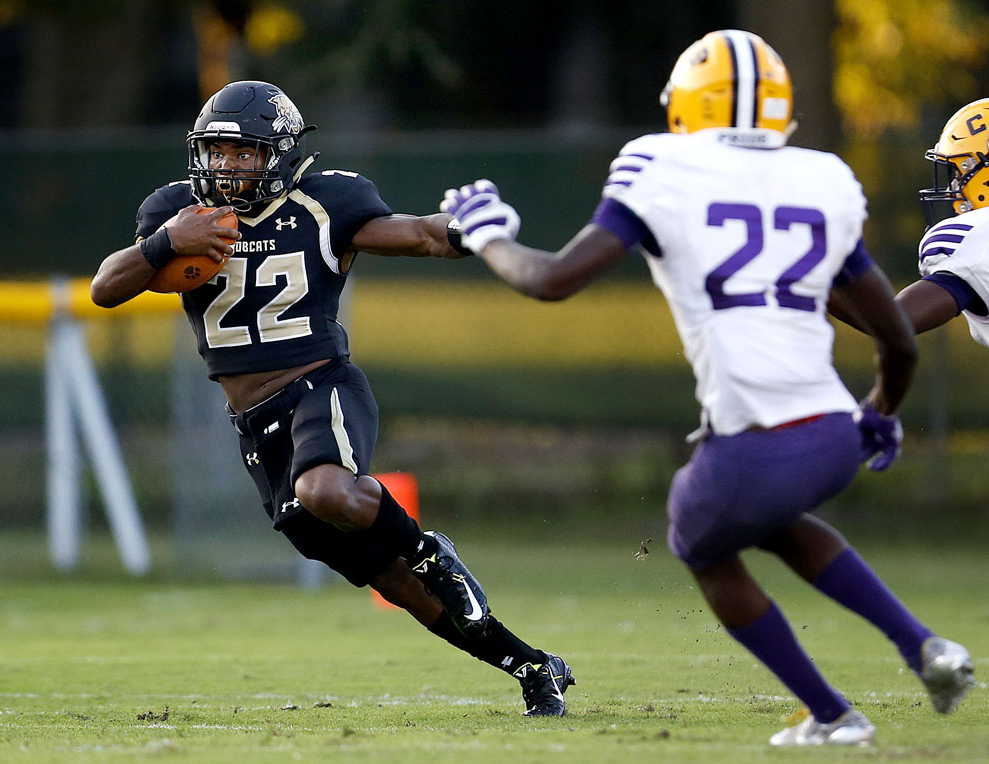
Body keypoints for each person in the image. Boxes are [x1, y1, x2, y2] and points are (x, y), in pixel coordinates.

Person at [440, 30, 974, 745]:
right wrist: (878, 415)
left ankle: (834, 715)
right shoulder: (820, 176)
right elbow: (899, 340)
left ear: (687, 105)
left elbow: (551, 281)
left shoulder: (661, 165)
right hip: (832, 433)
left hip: (757, 437)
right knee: (773, 524)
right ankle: (924, 648)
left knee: (697, 537)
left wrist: (486, 235)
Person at [90, 80, 574, 716]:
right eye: (217, 152)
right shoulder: (180, 214)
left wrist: (470, 233)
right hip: (253, 422)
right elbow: (105, 288)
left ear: (282, 153)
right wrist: (165, 243)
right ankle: (532, 666)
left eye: (245, 153)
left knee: (328, 490)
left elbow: (417, 234)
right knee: (393, 582)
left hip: (321, 385)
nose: (228, 167)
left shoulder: (326, 202)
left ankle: (430, 548)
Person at [832, 99, 989, 343]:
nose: (953, 186)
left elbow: (895, 320)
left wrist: (806, 270)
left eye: (959, 173)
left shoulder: (977, 237)